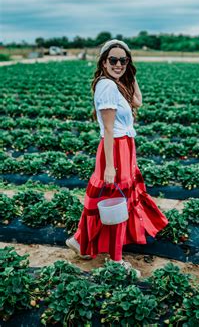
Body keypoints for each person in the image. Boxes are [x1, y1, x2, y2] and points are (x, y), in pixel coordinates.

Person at [65, 39, 168, 277]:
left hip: (123, 147)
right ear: (103, 62)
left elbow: (138, 102)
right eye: (113, 60)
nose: (118, 64)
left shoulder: (117, 84)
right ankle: (116, 259)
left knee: (107, 198)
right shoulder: (108, 87)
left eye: (124, 60)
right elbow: (109, 130)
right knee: (117, 203)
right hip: (116, 149)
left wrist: (129, 74)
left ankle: (81, 241)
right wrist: (110, 166)